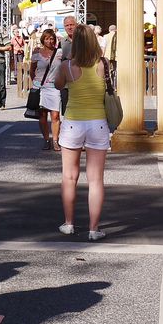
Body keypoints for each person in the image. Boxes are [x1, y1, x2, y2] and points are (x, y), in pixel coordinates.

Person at [54, 25, 111, 240]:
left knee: (69, 177)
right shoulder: (103, 65)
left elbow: (58, 86)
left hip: (73, 123)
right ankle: (94, 229)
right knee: (95, 179)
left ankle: (69, 223)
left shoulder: (67, 66)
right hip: (98, 122)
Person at [30, 28, 63, 150]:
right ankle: (46, 139)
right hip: (40, 87)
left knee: (55, 115)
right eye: (47, 38)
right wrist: (35, 82)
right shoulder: (37, 54)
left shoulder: (59, 53)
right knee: (42, 116)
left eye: (52, 38)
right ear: (43, 40)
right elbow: (32, 70)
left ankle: (55, 140)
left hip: (54, 87)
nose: (50, 41)